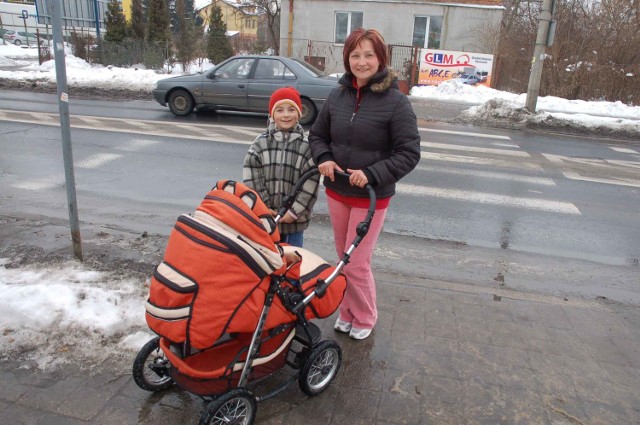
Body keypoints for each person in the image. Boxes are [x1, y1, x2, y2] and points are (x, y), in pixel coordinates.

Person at [309, 28, 421, 340]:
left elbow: (409, 153)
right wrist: (324, 158)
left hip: (370, 197)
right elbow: (318, 135)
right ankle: (347, 311)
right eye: (355, 55)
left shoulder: (396, 102)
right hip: (337, 191)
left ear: (381, 59)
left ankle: (366, 315)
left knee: (355, 262)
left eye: (368, 54)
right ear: (347, 59)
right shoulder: (337, 95)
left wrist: (372, 173)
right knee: (343, 258)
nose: (362, 61)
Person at [243, 86, 320, 248]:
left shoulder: (306, 146)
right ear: (272, 114)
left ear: (299, 114)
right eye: (280, 110)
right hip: (265, 220)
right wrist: (263, 206)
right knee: (267, 260)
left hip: (295, 222)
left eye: (291, 109)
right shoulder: (260, 143)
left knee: (292, 262)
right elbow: (252, 176)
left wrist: (294, 211)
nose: (286, 115)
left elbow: (311, 183)